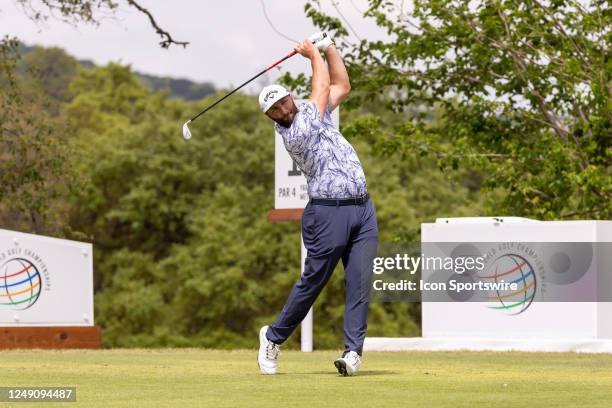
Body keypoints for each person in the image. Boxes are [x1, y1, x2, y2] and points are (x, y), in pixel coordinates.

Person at [257, 32, 378, 377]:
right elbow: (323, 89)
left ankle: (353, 353)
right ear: (271, 118)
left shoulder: (313, 112)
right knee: (314, 282)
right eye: (274, 110)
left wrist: (328, 47)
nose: (281, 109)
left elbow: (341, 84)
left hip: (362, 209)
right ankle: (273, 337)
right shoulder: (295, 132)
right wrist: (312, 55)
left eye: (282, 102)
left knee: (359, 283)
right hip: (327, 212)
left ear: (290, 97)